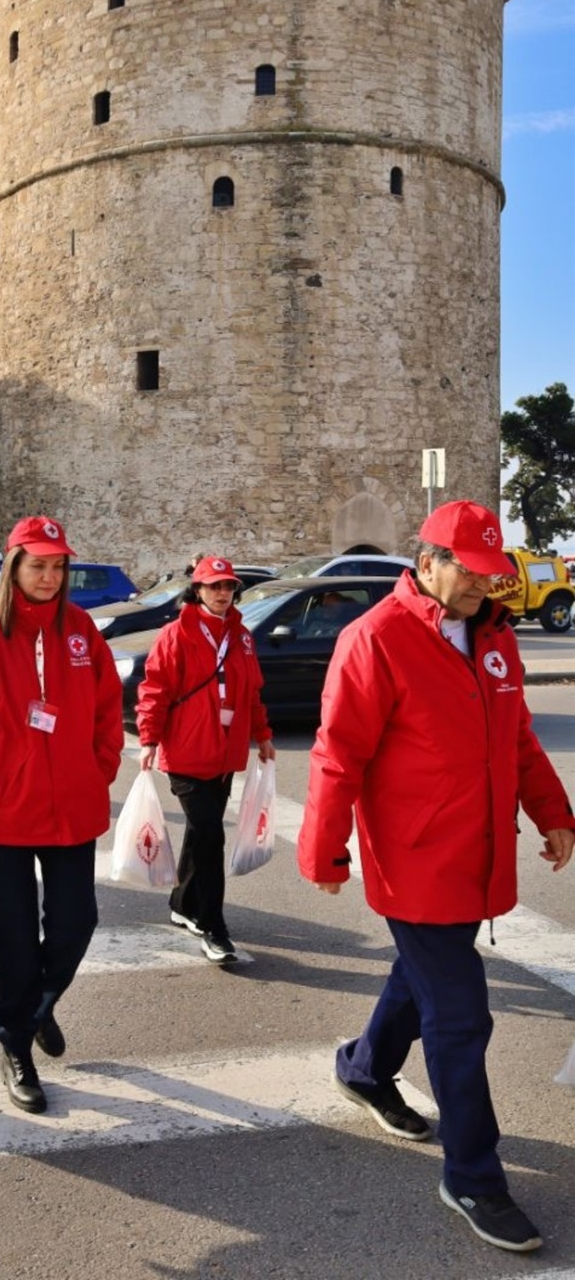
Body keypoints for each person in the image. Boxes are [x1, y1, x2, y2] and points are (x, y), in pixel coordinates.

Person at [297, 500, 574, 1255]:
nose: (484, 586)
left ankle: (363, 1067)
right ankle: (474, 1176)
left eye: (492, 574)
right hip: (415, 860)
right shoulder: (376, 639)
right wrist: (322, 846)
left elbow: (517, 740)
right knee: (460, 1014)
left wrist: (554, 812)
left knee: (418, 982)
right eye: (470, 573)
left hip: (476, 857)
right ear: (427, 563)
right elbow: (337, 751)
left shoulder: (494, 639)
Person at [0, 515, 124, 1114]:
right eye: (36, 564)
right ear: (12, 567)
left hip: (72, 804)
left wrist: (99, 768)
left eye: (57, 565)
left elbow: (105, 709)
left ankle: (38, 1005)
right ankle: (15, 1039)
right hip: (3, 812)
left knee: (76, 924)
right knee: (16, 935)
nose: (48, 576)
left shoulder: (81, 629)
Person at [136, 555, 275, 964]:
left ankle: (182, 903)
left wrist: (262, 736)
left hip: (226, 752)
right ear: (197, 590)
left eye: (228, 586)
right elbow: (155, 688)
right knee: (211, 835)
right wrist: (148, 739)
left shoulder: (242, 636)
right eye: (213, 586)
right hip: (186, 750)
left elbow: (251, 691)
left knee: (201, 833)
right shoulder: (175, 633)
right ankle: (214, 926)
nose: (222, 593)